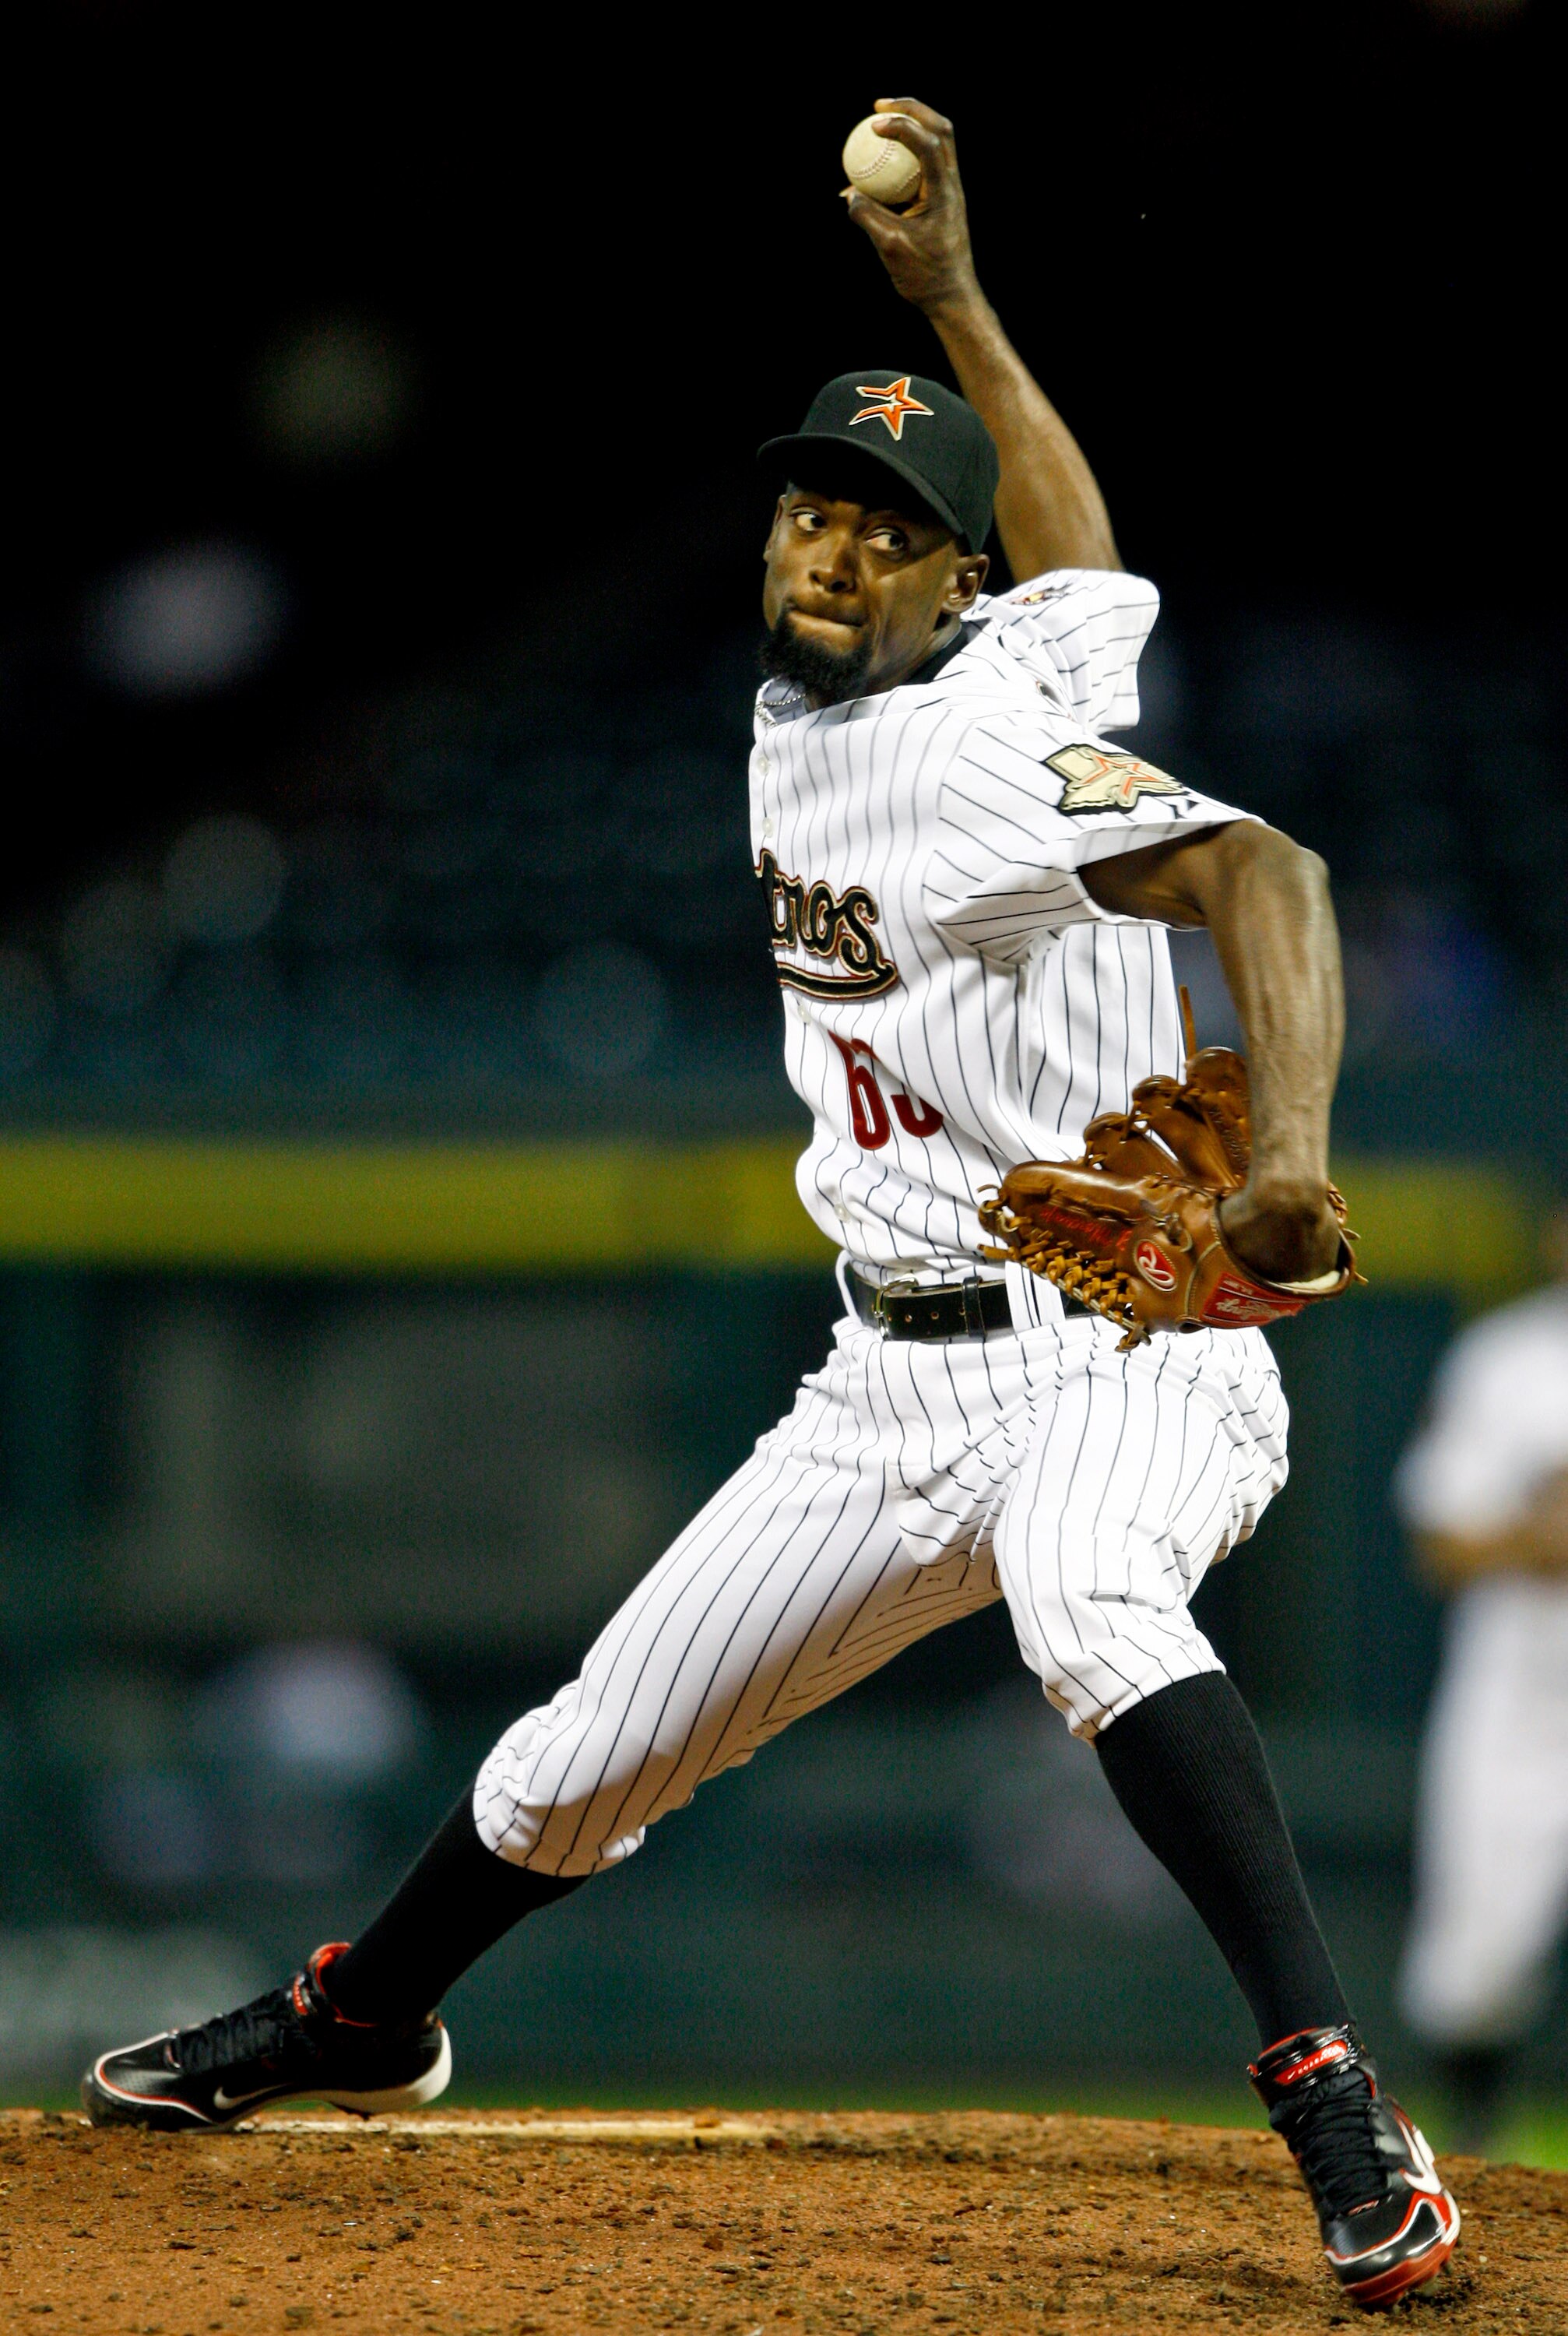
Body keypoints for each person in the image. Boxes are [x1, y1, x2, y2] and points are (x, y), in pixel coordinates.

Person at [82, 97, 1459, 2310]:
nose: (829, 545)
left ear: (941, 568)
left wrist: (1287, 1163)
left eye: (884, 522)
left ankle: (1327, 2093)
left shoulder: (980, 752)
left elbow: (1264, 871)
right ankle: (366, 2017)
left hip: (1122, 1348)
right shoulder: (976, 659)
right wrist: (949, 305)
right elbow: (1082, 553)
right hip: (879, 1376)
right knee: (571, 1767)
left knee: (1086, 1602)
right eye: (812, 503)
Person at [1394, 1206, 1568, 2154]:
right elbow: (1441, 1543)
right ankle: (1482, 2146)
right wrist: (1526, 1536)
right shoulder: (1507, 1360)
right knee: (1475, 1958)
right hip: (1525, 1691)